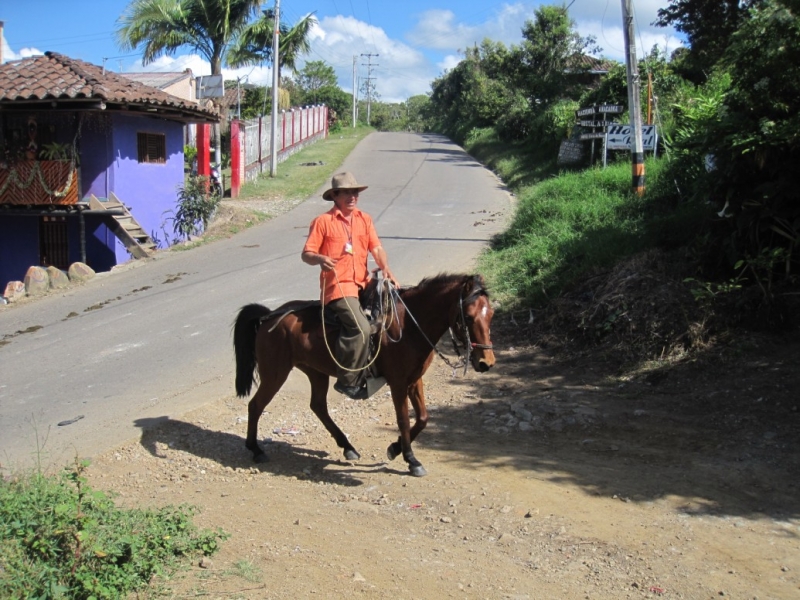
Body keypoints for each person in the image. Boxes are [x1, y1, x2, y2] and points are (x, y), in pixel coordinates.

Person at [301, 172, 397, 399]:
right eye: (346, 193)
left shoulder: (365, 219)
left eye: (355, 192)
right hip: (339, 287)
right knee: (361, 328)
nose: (352, 196)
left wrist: (386, 269)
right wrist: (320, 259)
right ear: (335, 196)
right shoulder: (323, 222)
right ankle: (348, 379)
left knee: (395, 310)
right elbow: (307, 254)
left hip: (363, 282)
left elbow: (377, 248)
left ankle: (380, 366)